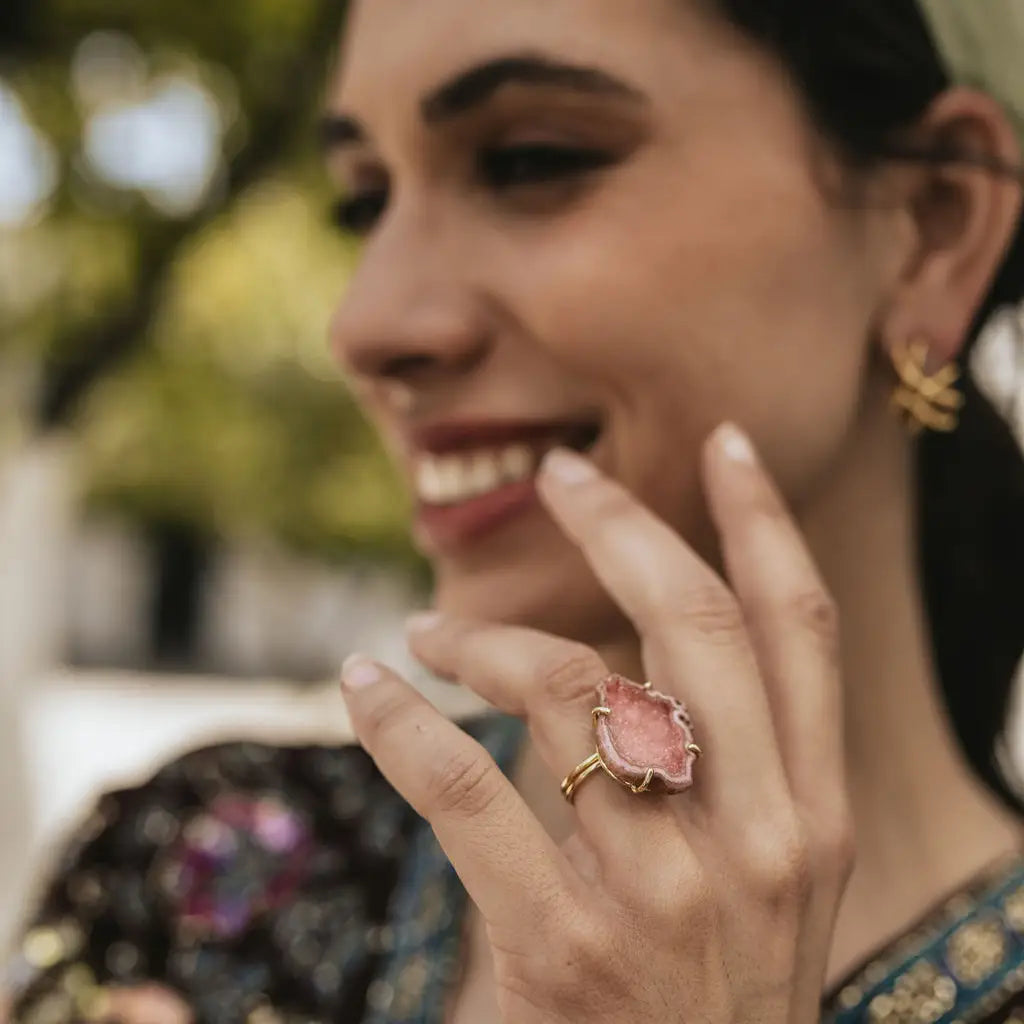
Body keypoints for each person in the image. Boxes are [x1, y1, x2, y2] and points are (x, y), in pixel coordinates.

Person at [7, 0, 1024, 1021]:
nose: (364, 326)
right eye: (365, 201)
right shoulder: (203, 874)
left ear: (930, 227)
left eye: (532, 161)